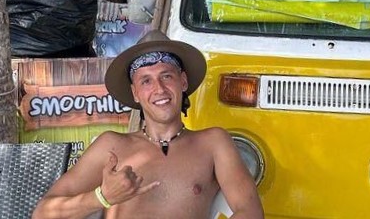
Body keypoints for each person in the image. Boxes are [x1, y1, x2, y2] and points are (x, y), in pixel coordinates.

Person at [31, 30, 264, 219]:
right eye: (146, 81)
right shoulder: (111, 146)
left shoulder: (213, 143)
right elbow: (42, 214)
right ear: (135, 92)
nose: (159, 89)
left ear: (182, 81)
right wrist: (102, 197)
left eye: (166, 76)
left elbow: (250, 210)